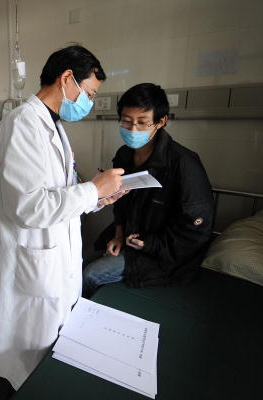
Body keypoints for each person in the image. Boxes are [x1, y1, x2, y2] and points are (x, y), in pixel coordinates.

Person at [0, 45, 126, 389]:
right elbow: (29, 207)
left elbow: (59, 194)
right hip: (33, 259)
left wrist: (99, 198)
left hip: (53, 255)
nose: (89, 102)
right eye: (89, 93)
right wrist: (92, 189)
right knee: (32, 356)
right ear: (67, 78)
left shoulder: (53, 125)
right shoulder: (23, 123)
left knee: (50, 349)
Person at [83, 83, 214, 297]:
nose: (133, 129)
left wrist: (149, 244)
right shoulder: (124, 155)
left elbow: (195, 231)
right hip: (128, 237)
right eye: (126, 121)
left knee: (90, 275)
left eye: (142, 122)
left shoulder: (184, 164)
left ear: (161, 122)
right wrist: (118, 235)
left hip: (162, 254)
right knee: (77, 262)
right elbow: (121, 203)